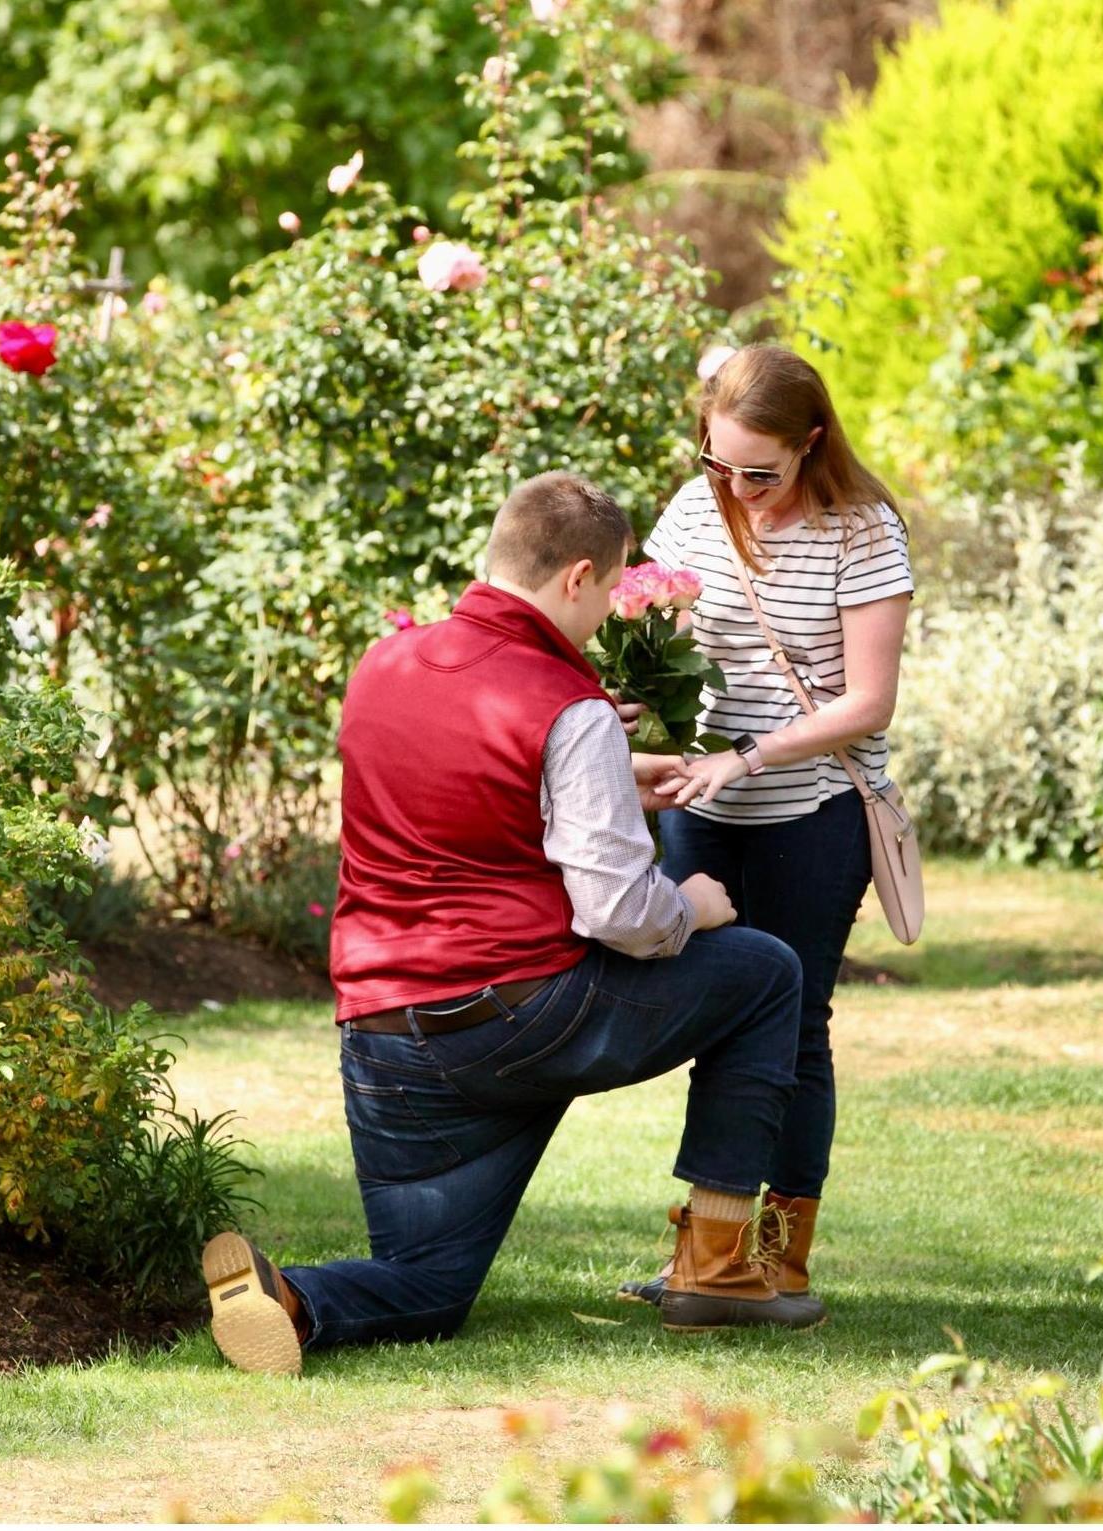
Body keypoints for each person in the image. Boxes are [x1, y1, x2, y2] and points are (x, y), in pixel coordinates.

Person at [200, 470, 824, 1376]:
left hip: (386, 1036)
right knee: (763, 969)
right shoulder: (565, 706)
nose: (608, 610)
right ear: (577, 577)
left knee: (428, 1284)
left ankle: (291, 1299)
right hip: (523, 1015)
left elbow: (467, 789)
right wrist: (688, 907)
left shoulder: (383, 665)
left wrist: (615, 768)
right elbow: (614, 912)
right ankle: (717, 1267)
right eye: (610, 590)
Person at [619, 345, 913, 1309]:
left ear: (810, 446)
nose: (738, 490)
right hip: (701, 805)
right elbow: (655, 625)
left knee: (794, 1026)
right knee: (722, 1009)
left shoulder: (861, 529)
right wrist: (634, 709)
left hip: (810, 810)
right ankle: (710, 1251)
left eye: (761, 472)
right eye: (720, 464)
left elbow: (868, 702)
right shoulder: (695, 506)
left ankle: (777, 1256)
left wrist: (743, 758)